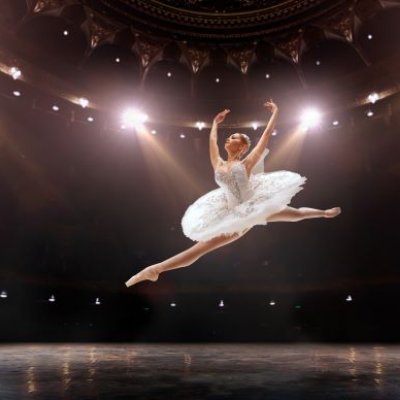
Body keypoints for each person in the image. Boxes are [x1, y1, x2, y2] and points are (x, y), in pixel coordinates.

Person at [125, 100, 341, 287]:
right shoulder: (218, 163)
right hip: (229, 210)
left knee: (295, 214)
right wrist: (214, 124)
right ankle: (155, 270)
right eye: (228, 137)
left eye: (234, 137)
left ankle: (324, 213)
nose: (228, 139)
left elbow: (266, 136)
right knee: (201, 248)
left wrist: (276, 111)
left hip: (250, 206)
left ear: (243, 146)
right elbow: (212, 142)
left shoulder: (247, 163)